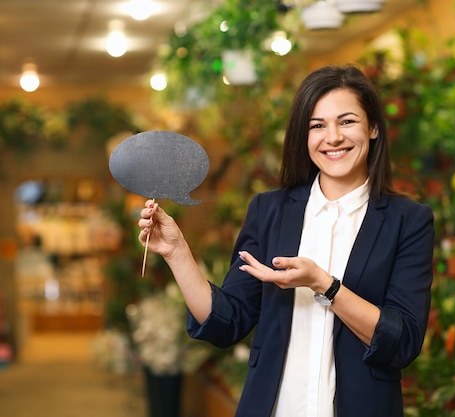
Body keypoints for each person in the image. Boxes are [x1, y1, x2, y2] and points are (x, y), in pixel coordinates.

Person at [138, 64, 434, 417]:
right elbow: (228, 320)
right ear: (303, 137)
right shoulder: (270, 211)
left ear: (372, 128)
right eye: (317, 126)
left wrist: (324, 285)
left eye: (347, 121)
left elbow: (402, 341)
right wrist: (176, 252)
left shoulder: (407, 220)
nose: (333, 137)